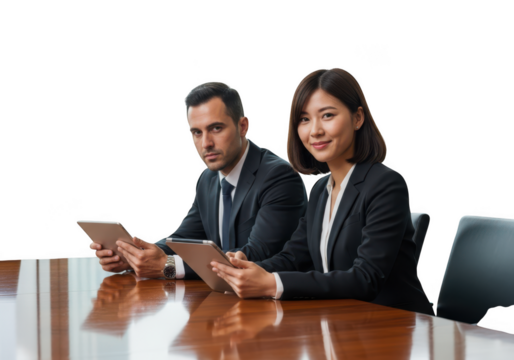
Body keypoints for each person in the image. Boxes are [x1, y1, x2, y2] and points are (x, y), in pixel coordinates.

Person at [211, 68, 434, 315]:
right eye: (304, 119)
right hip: (344, 323)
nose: (314, 130)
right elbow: (294, 258)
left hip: (395, 326)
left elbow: (365, 278)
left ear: (358, 118)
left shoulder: (385, 184)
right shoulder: (321, 191)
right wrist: (246, 267)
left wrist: (272, 283)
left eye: (327, 115)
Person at [89, 81, 308, 280]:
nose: (206, 143)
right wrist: (135, 255)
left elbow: (255, 254)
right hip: (224, 300)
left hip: (277, 307)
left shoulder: (280, 176)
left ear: (243, 126)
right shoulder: (209, 178)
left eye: (216, 128)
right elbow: (184, 239)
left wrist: (169, 266)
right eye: (197, 132)